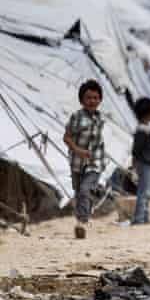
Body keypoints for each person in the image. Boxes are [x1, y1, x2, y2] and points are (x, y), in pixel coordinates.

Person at [63, 80, 107, 239]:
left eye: (96, 98)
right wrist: (78, 151)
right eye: (88, 98)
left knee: (84, 190)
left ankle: (81, 223)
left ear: (100, 100)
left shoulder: (100, 118)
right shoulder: (76, 117)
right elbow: (66, 138)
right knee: (78, 191)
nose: (92, 101)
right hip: (77, 162)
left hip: (95, 162)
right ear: (82, 100)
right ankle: (84, 215)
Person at [131, 98, 150, 225]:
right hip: (145, 164)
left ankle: (144, 216)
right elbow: (137, 149)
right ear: (149, 114)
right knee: (145, 192)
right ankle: (139, 218)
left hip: (148, 163)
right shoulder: (143, 130)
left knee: (147, 191)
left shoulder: (145, 128)